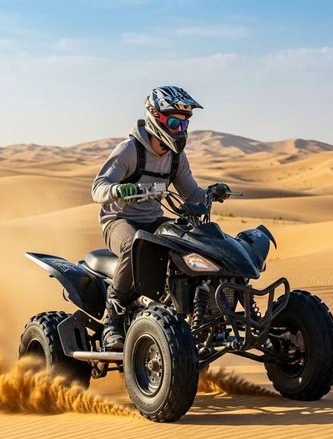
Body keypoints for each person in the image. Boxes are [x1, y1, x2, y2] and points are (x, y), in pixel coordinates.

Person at [91, 85, 230, 351]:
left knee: (191, 241)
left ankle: (198, 311)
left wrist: (212, 193)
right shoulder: (130, 150)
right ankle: (113, 318)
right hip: (118, 220)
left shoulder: (176, 157)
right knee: (134, 244)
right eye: (174, 122)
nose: (180, 130)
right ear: (155, 117)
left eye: (184, 123)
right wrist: (119, 189)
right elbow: (98, 188)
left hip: (154, 219)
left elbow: (190, 193)